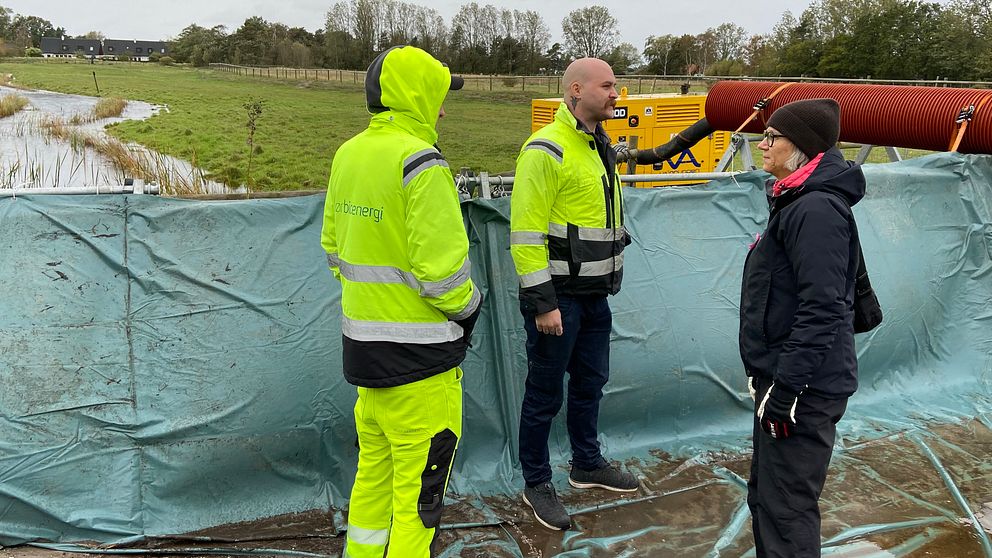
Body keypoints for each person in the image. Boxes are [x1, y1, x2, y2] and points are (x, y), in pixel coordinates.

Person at [320, 45, 482, 558]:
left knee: (373, 478)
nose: (442, 108)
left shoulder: (348, 154)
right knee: (420, 500)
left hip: (365, 357)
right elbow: (443, 276)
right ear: (418, 94)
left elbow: (333, 249)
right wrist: (472, 308)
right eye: (437, 95)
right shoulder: (422, 163)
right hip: (423, 367)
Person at [509, 57, 638, 532]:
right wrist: (544, 304)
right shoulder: (546, 149)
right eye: (607, 86)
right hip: (558, 299)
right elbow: (524, 234)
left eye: (616, 85)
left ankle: (587, 464)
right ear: (576, 90)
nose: (615, 93)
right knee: (544, 394)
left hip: (594, 297)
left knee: (590, 383)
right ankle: (536, 483)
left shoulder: (596, 146)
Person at [740, 98, 866, 557]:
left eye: (773, 136)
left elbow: (823, 308)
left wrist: (787, 389)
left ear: (802, 148)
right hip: (785, 381)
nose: (763, 143)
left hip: (802, 392)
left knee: (786, 509)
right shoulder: (795, 201)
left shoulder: (815, 211)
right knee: (769, 500)